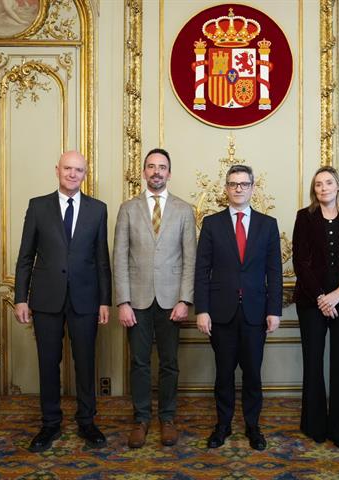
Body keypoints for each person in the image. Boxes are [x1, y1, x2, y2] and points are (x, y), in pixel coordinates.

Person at [14, 150, 111, 452]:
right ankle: (50, 424)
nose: (72, 174)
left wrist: (105, 301)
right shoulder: (38, 206)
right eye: (67, 168)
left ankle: (87, 422)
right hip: (46, 299)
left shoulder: (98, 209)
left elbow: (101, 259)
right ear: (57, 169)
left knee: (85, 363)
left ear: (85, 174)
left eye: (79, 170)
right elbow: (25, 256)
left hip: (85, 299)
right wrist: (21, 298)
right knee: (48, 363)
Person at [195, 164, 282, 451]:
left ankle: (253, 426)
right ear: (226, 188)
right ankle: (222, 426)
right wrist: (202, 310)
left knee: (253, 375)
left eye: (244, 184)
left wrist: (274, 310)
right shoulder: (211, 223)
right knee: (223, 374)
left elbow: (274, 271)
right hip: (220, 312)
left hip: (256, 313)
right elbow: (201, 269)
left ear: (253, 188)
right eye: (233, 184)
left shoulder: (268, 225)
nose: (238, 189)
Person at [114, 148, 196, 448]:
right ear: (144, 172)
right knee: (138, 363)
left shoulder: (184, 210)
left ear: (169, 173)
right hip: (136, 302)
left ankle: (167, 418)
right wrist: (122, 301)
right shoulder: (127, 209)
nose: (156, 172)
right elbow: (119, 257)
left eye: (162, 167)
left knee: (170, 363)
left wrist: (185, 299)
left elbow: (191, 258)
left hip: (172, 301)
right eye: (151, 166)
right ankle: (141, 419)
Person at [292, 166, 339, 449]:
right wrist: (322, 298)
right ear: (315, 190)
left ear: (338, 187)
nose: (323, 188)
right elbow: (301, 262)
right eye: (318, 184)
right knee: (313, 363)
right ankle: (315, 425)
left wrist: (337, 294)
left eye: (328, 183)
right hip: (312, 302)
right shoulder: (304, 217)